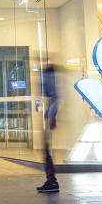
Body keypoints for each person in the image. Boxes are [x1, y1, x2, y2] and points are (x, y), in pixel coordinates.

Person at [37, 63, 60, 193]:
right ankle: (51, 180)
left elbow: (56, 98)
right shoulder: (49, 78)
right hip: (50, 116)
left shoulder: (48, 78)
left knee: (46, 149)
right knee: (46, 150)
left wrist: (51, 116)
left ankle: (52, 181)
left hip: (51, 117)